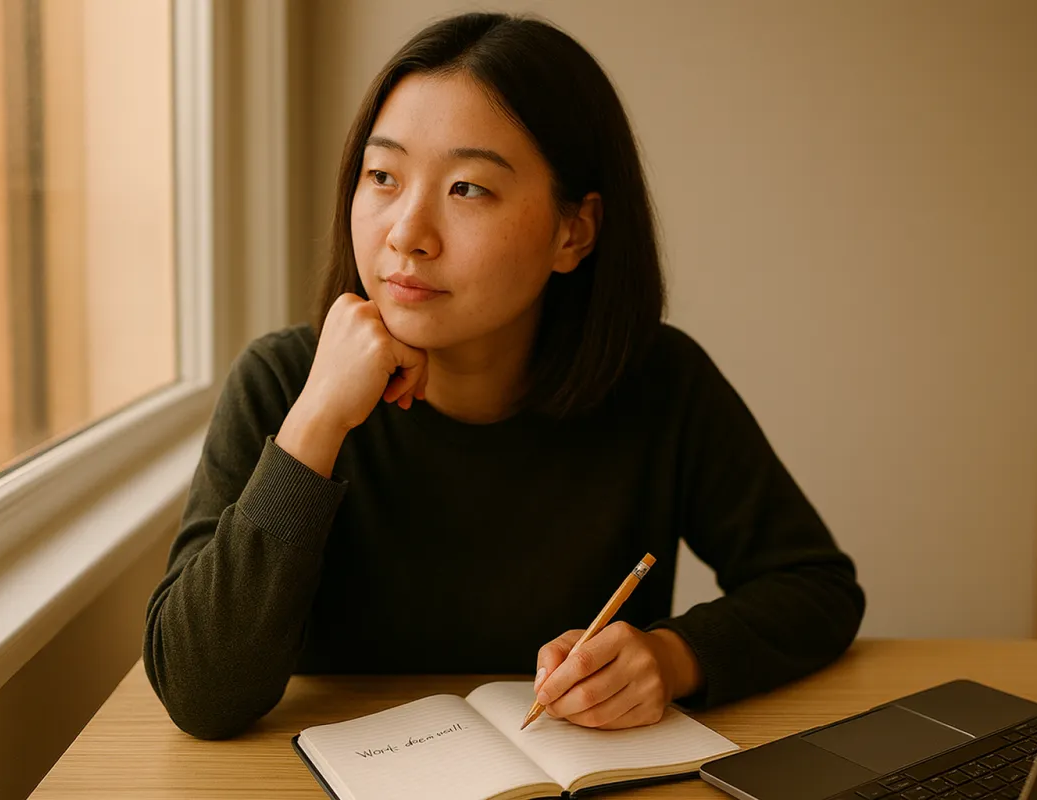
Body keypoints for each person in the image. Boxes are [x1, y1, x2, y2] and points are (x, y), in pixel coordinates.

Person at [143, 11, 865, 741]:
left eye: (467, 189)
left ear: (573, 231)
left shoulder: (658, 382)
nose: (406, 234)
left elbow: (816, 587)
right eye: (383, 176)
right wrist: (315, 424)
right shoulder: (282, 384)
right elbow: (202, 693)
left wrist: (672, 658)